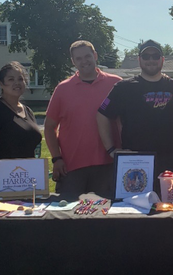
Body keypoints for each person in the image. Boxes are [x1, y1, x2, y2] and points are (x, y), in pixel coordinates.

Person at [97, 39, 173, 193]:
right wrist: (111, 150)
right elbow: (102, 114)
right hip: (134, 158)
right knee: (133, 210)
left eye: (155, 56)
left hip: (167, 158)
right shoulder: (123, 88)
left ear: (162, 60)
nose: (151, 60)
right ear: (139, 60)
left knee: (169, 208)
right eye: (146, 56)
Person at [44, 40, 122, 198]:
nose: (84, 61)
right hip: (72, 166)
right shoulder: (63, 89)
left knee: (107, 216)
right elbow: (49, 127)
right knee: (70, 215)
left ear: (95, 56)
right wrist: (56, 158)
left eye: (87, 56)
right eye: (78, 58)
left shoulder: (116, 84)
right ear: (73, 62)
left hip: (109, 164)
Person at [0, 62, 42, 182]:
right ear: (1, 83)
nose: (16, 83)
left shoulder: (28, 111)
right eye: (11, 79)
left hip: (28, 179)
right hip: (4, 180)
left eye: (20, 79)